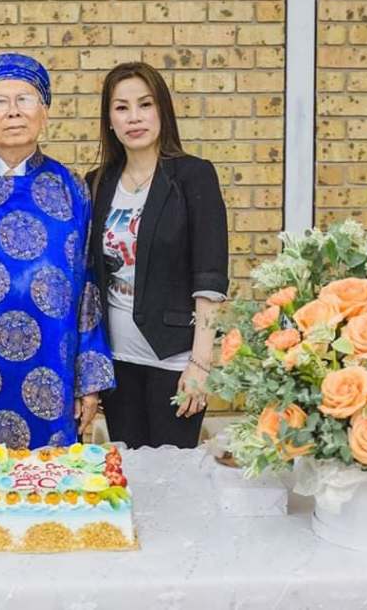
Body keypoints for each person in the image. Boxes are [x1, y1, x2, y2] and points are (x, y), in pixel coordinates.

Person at [0, 53, 115, 450]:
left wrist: (89, 381)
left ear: (45, 112)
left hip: (51, 368)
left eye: (25, 99)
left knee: (51, 477)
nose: (13, 112)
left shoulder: (72, 187)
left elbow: (89, 283)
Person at [86, 62, 229, 449]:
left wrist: (200, 362)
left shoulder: (193, 176)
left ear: (162, 111)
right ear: (109, 120)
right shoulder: (98, 182)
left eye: (145, 105)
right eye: (121, 108)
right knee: (128, 468)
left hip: (175, 359)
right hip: (117, 361)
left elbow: (210, 276)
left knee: (174, 473)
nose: (134, 117)